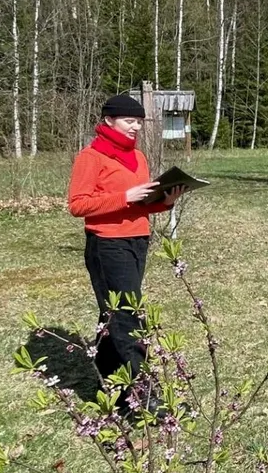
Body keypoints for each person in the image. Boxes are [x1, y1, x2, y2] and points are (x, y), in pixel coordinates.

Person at [67, 94, 184, 402]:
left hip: (137, 240)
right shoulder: (91, 157)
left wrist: (165, 201)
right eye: (129, 121)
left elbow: (139, 206)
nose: (136, 127)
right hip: (106, 244)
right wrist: (125, 196)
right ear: (109, 121)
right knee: (128, 315)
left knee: (113, 313)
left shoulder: (139, 158)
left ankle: (108, 382)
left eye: (139, 122)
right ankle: (144, 399)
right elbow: (78, 205)